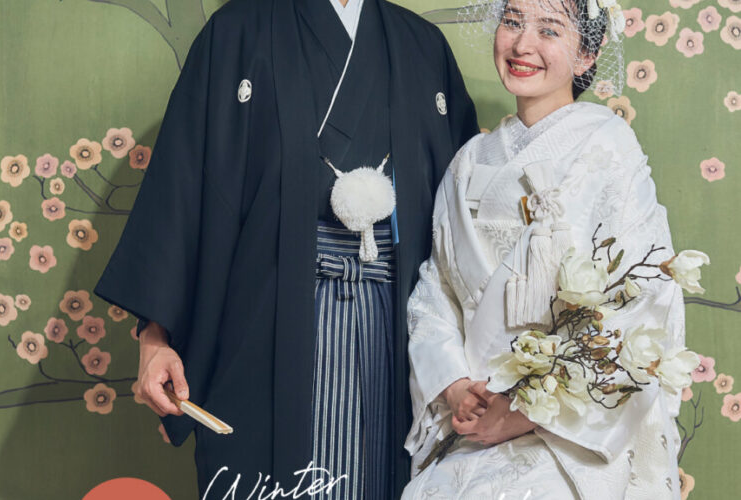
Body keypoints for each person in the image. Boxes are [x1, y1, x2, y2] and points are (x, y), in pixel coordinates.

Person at [94, 0, 478, 497]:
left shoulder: (422, 47)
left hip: (396, 326)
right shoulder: (236, 33)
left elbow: (461, 224)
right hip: (263, 326)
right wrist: (154, 339)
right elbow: (181, 188)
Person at [402, 0, 686, 498]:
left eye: (549, 30)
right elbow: (436, 290)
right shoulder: (469, 160)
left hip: (566, 426)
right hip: (475, 412)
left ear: (586, 55)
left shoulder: (609, 147)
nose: (522, 44)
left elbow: (643, 296)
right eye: (512, 22)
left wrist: (524, 410)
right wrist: (454, 385)